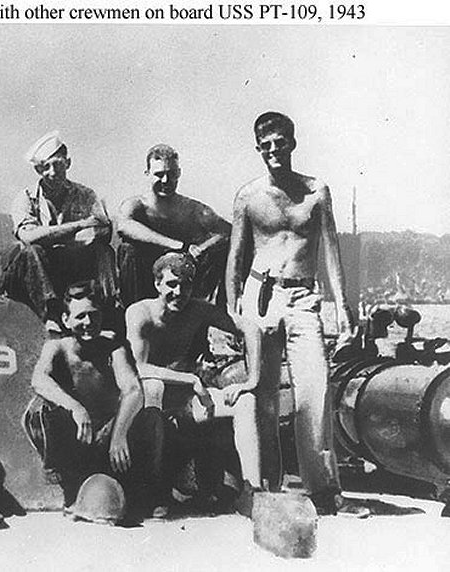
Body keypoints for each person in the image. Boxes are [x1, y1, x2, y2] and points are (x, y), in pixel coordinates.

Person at [224, 111, 364, 516]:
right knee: (262, 394)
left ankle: (324, 491)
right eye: (266, 145)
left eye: (280, 142)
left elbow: (331, 251)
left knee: (314, 391)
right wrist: (234, 312)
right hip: (260, 296)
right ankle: (265, 488)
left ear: (292, 143)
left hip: (303, 297)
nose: (274, 150)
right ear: (258, 148)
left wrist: (342, 308)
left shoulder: (316, 192)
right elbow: (235, 257)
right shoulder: (248, 196)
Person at [23, 282, 165, 520]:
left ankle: (148, 496)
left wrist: (119, 436)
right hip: (77, 443)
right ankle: (71, 490)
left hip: (110, 442)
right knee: (39, 409)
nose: (88, 322)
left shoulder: (114, 347)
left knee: (152, 417)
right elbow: (39, 380)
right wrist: (76, 408)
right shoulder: (56, 347)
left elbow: (132, 390)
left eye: (93, 315)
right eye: (80, 316)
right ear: (66, 320)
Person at [125, 252, 243, 514]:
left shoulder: (198, 310)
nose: (179, 292)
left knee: (231, 401)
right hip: (147, 401)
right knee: (154, 388)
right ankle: (154, 494)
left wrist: (253, 377)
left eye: (186, 285)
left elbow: (248, 328)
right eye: (171, 284)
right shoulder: (140, 313)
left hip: (184, 398)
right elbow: (139, 368)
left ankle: (219, 487)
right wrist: (190, 379)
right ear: (157, 284)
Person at [0, 131, 117, 332]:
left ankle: (107, 308)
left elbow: (102, 230)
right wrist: (78, 226)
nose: (53, 172)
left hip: (66, 263)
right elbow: (29, 237)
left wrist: (53, 238)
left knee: (103, 250)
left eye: (58, 165)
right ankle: (51, 314)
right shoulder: (25, 198)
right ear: (38, 170)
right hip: (26, 275)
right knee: (34, 251)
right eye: (46, 167)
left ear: (68, 163)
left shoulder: (85, 195)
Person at [117, 144, 231, 307]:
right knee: (128, 249)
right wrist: (178, 245)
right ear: (147, 174)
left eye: (171, 174)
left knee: (223, 248)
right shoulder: (136, 205)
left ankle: (216, 310)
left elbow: (228, 231)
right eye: (159, 174)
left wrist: (202, 249)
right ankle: (133, 314)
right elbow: (124, 226)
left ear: (179, 173)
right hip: (145, 284)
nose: (166, 181)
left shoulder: (192, 208)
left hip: (184, 280)